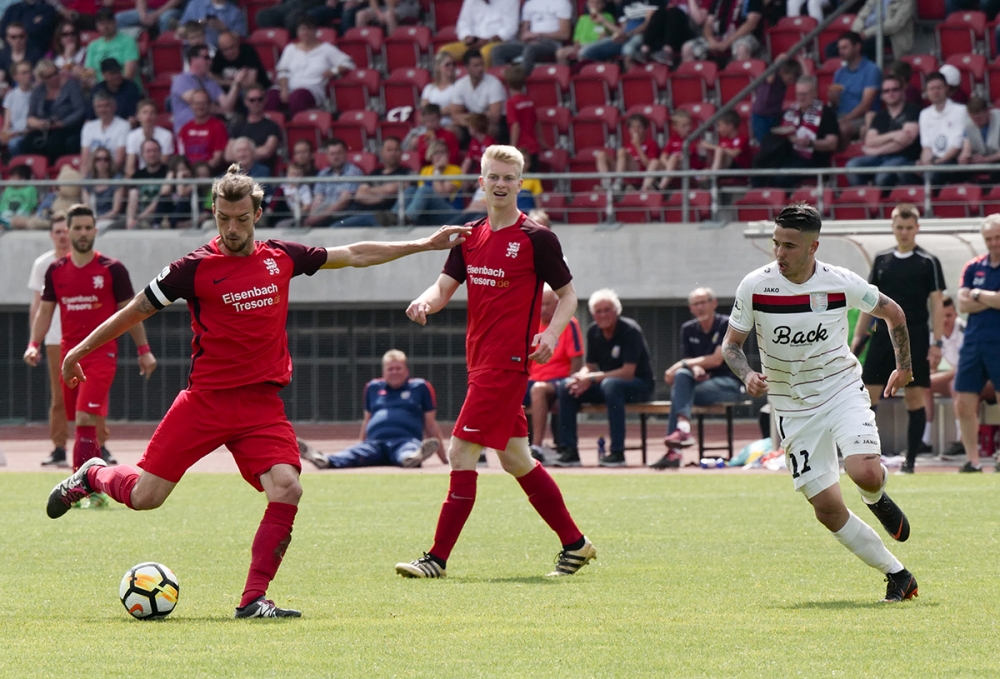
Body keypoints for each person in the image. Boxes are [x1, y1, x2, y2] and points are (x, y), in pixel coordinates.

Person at [42, 165, 470, 619]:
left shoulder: (281, 256)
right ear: (214, 212)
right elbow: (135, 309)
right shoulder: (192, 268)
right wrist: (80, 350)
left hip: (261, 405)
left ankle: (253, 599)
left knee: (287, 487)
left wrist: (423, 244)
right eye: (223, 218)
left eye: (241, 219)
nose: (232, 228)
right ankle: (93, 474)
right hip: (205, 401)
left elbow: (354, 254)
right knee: (146, 497)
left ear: (258, 214)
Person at [395, 144, 595, 580]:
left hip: (507, 363)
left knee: (459, 451)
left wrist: (551, 334)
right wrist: (424, 302)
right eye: (493, 176)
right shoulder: (469, 236)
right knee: (516, 458)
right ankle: (576, 545)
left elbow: (569, 297)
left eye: (508, 177)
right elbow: (443, 288)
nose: (500, 184)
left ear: (520, 183)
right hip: (479, 360)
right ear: (480, 181)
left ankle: (436, 559)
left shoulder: (537, 237)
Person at [722, 202, 919, 603]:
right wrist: (746, 374)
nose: (779, 253)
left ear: (813, 247)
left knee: (864, 473)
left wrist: (904, 368)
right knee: (827, 509)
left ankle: (875, 496)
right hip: (792, 407)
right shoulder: (755, 286)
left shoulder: (839, 282)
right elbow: (731, 345)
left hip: (841, 390)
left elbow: (894, 313)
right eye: (776, 243)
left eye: (790, 246)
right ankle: (898, 575)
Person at [24, 203, 156, 475]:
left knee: (85, 415)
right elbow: (45, 312)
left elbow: (131, 312)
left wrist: (144, 350)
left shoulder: (113, 269)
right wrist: (33, 344)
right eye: (78, 228)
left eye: (88, 228)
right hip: (68, 356)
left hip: (101, 354)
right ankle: (95, 476)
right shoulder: (55, 270)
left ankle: (81, 483)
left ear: (95, 230)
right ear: (69, 232)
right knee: (80, 417)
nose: (83, 233)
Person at [851, 204, 945, 474]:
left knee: (914, 399)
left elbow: (937, 304)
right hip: (882, 336)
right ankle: (866, 458)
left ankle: (910, 462)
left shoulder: (928, 261)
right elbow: (869, 301)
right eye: (900, 227)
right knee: (868, 397)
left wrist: (937, 343)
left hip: (915, 337)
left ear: (917, 228)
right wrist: (858, 337)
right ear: (893, 227)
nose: (904, 232)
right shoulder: (881, 260)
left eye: (909, 227)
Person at [555, 288, 655, 467]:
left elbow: (628, 372)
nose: (603, 315)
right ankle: (569, 450)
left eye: (607, 310)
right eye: (598, 311)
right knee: (566, 386)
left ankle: (617, 452)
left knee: (611, 385)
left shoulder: (630, 330)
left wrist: (592, 378)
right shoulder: (593, 331)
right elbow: (589, 365)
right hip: (607, 385)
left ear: (616, 311)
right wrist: (582, 377)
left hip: (637, 386)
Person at [299, 349, 447, 469]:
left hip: (405, 440)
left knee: (406, 451)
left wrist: (444, 458)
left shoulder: (421, 387)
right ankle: (324, 459)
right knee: (353, 454)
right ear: (384, 372)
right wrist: (362, 443)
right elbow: (367, 421)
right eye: (390, 369)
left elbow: (430, 424)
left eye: (398, 368)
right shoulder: (373, 387)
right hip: (375, 443)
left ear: (407, 371)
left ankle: (413, 457)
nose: (394, 372)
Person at [650, 287, 744, 469]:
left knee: (680, 387)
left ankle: (674, 451)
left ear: (714, 303)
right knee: (682, 377)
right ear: (690, 308)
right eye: (695, 304)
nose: (700, 307)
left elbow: (717, 359)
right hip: (701, 385)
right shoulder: (688, 329)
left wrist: (681, 365)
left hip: (729, 385)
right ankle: (683, 429)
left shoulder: (726, 324)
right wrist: (695, 368)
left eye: (703, 302)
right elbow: (691, 362)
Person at [953, 215, 1000, 473]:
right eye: (989, 238)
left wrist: (977, 294)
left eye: (998, 238)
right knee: (963, 402)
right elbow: (962, 303)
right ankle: (973, 460)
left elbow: (972, 299)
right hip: (973, 342)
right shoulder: (973, 266)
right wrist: (991, 298)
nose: (994, 243)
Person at [27, 212, 73, 466]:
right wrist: (34, 342)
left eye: (66, 231)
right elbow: (37, 306)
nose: (63, 236)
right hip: (55, 338)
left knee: (92, 393)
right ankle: (59, 448)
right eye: (58, 232)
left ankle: (100, 445)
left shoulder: (85, 262)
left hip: (85, 337)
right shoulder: (43, 264)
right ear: (51, 235)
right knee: (59, 396)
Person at [525, 285, 584, 462]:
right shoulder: (532, 324)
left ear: (558, 304)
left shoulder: (569, 324)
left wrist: (567, 385)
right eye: (540, 304)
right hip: (534, 378)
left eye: (547, 304)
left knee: (538, 390)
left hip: (558, 380)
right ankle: (487, 448)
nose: (543, 309)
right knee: (502, 390)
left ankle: (536, 448)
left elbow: (576, 360)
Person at [751, 76, 839, 189]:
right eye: (798, 94)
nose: (801, 98)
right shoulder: (789, 112)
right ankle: (759, 198)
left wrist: (809, 143)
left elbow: (832, 143)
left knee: (782, 176)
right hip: (787, 155)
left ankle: (779, 199)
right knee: (759, 164)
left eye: (804, 94)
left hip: (812, 160)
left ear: (814, 93)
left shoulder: (826, 113)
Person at [845, 73, 921, 189]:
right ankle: (867, 197)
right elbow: (870, 141)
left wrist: (877, 150)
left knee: (882, 176)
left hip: (905, 157)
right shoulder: (880, 116)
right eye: (886, 91)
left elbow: (904, 142)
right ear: (882, 95)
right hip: (880, 158)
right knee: (852, 166)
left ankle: (882, 199)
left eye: (895, 89)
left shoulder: (912, 110)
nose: (890, 93)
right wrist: (893, 135)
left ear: (902, 91)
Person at [269, 16, 355, 117]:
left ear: (315, 31)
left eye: (308, 29)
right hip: (288, 87)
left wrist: (333, 71)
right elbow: (283, 71)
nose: (305, 33)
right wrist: (284, 89)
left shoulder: (326, 49)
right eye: (302, 30)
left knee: (297, 97)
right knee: (270, 96)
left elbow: (348, 63)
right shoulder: (290, 49)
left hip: (311, 88)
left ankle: (299, 125)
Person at [923, 296, 967, 458]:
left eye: (949, 315)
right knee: (924, 386)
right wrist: (931, 373)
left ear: (956, 314)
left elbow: (965, 369)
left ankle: (962, 440)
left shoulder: (965, 330)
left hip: (976, 380)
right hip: (954, 378)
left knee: (956, 385)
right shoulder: (934, 334)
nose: (945, 320)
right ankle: (925, 441)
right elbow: (932, 365)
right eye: (941, 316)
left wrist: (934, 377)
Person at [332, 136, 411, 226]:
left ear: (401, 152)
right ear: (382, 153)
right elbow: (359, 195)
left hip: (385, 217)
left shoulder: (407, 172)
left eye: (396, 150)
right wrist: (383, 197)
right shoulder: (375, 172)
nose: (393, 153)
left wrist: (370, 191)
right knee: (335, 227)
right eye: (389, 150)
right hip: (364, 214)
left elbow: (391, 189)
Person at [170, 45, 242, 136]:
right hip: (187, 132)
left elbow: (227, 107)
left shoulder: (211, 83)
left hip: (209, 132)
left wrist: (236, 84)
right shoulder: (181, 80)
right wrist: (221, 110)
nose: (210, 61)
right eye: (206, 58)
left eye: (210, 58)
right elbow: (199, 104)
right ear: (193, 59)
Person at [23, 59, 86, 162]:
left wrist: (62, 123)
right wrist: (34, 122)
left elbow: (80, 110)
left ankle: (55, 168)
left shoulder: (71, 86)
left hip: (67, 126)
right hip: (45, 127)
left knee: (54, 143)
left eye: (56, 73)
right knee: (28, 141)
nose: (55, 77)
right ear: (43, 78)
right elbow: (31, 114)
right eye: (49, 76)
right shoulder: (38, 91)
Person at [488, 0, 573, 75]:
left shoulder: (561, 3)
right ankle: (503, 81)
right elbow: (523, 35)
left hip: (551, 43)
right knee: (497, 50)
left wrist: (540, 34)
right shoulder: (529, 4)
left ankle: (520, 80)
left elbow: (565, 34)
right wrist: (526, 36)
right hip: (530, 42)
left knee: (531, 49)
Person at [916, 72, 968, 188]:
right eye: (931, 89)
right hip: (934, 160)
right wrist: (925, 163)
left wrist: (936, 163)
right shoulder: (924, 114)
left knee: (932, 176)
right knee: (906, 173)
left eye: (939, 88)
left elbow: (957, 145)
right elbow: (926, 147)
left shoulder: (960, 110)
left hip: (953, 160)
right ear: (926, 92)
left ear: (946, 88)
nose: (935, 92)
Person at [828, 32, 880, 144]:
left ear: (857, 47)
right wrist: (833, 99)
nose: (841, 52)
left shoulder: (871, 70)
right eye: (839, 48)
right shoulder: (839, 73)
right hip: (840, 115)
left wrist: (844, 119)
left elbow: (866, 105)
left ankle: (843, 155)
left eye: (845, 48)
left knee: (841, 129)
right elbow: (835, 105)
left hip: (863, 117)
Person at [301, 138, 364, 227]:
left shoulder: (353, 172)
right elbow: (318, 199)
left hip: (343, 214)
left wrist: (315, 219)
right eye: (332, 154)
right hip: (323, 214)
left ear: (345, 154)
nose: (335, 157)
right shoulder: (323, 173)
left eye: (339, 153)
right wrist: (312, 217)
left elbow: (343, 203)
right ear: (327, 156)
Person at [436, 0, 520, 66]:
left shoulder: (510, 1)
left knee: (484, 53)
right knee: (444, 52)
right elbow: (463, 24)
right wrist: (467, 37)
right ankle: (447, 82)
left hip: (497, 42)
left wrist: (488, 40)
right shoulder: (471, 1)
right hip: (474, 42)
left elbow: (511, 29)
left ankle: (483, 82)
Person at [682, 0, 764, 64]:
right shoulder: (718, 1)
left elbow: (752, 23)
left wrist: (728, 41)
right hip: (719, 37)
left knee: (742, 49)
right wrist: (711, 40)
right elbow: (708, 24)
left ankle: (742, 79)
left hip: (743, 36)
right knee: (687, 49)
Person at [597, 112, 661, 193]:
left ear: (645, 129)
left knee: (622, 151)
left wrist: (638, 146)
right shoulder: (627, 145)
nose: (636, 130)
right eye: (632, 127)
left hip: (640, 172)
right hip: (627, 172)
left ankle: (618, 183)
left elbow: (649, 165)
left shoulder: (651, 143)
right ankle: (606, 184)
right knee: (601, 155)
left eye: (639, 127)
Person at [448, 49, 506, 137]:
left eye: (481, 64)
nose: (480, 69)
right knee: (451, 130)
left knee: (488, 129)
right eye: (476, 66)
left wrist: (469, 119)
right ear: (467, 67)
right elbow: (455, 115)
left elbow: (495, 117)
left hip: (494, 125)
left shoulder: (494, 84)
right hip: (473, 124)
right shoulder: (460, 84)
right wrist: (475, 120)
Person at [225, 85, 282, 169]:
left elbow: (267, 152)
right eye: (252, 100)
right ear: (245, 102)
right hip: (239, 170)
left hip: (262, 171)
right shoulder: (238, 125)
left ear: (265, 100)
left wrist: (240, 154)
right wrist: (253, 153)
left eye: (260, 99)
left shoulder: (272, 126)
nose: (256, 103)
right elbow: (228, 155)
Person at [82, 9, 139, 87]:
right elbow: (90, 71)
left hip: (124, 87)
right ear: (97, 26)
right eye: (101, 24)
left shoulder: (128, 41)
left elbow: (129, 73)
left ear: (115, 22)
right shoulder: (93, 46)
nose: (105, 26)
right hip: (101, 88)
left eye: (108, 22)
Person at [177, 89, 229, 171]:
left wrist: (200, 171)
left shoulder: (218, 126)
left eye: (203, 103)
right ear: (191, 105)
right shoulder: (184, 128)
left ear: (209, 105)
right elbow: (180, 157)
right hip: (188, 172)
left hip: (209, 172)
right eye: (197, 103)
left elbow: (217, 159)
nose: (200, 106)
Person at [80, 90, 131, 172]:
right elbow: (85, 160)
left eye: (106, 106)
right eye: (99, 106)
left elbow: (119, 160)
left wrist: (103, 175)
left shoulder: (124, 125)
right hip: (93, 173)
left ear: (114, 106)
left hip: (114, 173)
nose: (103, 110)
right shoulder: (88, 127)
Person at [504, 65, 543, 170]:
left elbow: (515, 126)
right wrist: (542, 141)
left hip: (521, 148)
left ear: (508, 84)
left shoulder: (511, 103)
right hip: (533, 146)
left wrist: (512, 146)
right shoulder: (530, 100)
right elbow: (536, 123)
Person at [124, 99, 175, 178]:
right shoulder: (132, 136)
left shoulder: (166, 135)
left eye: (152, 113)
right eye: (145, 112)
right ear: (138, 116)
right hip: (141, 176)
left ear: (156, 116)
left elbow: (163, 162)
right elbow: (130, 167)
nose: (148, 116)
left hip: (161, 176)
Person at [850, 0, 914, 62]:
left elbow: (894, 26)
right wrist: (855, 33)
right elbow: (861, 16)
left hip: (891, 34)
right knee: (848, 42)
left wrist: (866, 33)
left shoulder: (907, 1)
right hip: (866, 30)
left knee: (867, 44)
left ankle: (867, 67)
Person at [555, 0, 617, 65]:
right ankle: (565, 71)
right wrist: (577, 46)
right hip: (581, 45)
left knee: (583, 52)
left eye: (598, 3)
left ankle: (585, 70)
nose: (594, 5)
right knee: (560, 53)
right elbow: (577, 37)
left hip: (595, 46)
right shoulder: (582, 19)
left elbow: (608, 34)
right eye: (591, 3)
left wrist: (601, 21)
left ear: (603, 5)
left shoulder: (607, 17)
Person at [126, 139, 170, 229]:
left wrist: (140, 217)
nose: (152, 154)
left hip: (159, 215)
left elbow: (160, 198)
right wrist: (130, 219)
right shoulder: (137, 175)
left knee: (137, 227)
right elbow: (132, 200)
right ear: (142, 154)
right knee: (109, 229)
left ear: (160, 153)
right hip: (139, 216)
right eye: (148, 151)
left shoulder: (168, 172)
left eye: (155, 151)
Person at [82, 146, 126, 231]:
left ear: (110, 162)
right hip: (92, 218)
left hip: (111, 220)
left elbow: (115, 210)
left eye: (106, 159)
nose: (102, 162)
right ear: (93, 162)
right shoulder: (88, 181)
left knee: (97, 228)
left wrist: (99, 219)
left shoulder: (117, 180)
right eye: (98, 159)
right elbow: (86, 207)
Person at [90, 58, 142, 126]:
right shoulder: (97, 90)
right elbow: (90, 116)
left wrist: (134, 119)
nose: (117, 75)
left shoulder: (131, 87)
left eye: (118, 72)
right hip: (102, 126)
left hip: (127, 126)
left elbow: (138, 111)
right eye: (113, 73)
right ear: (104, 75)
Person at [178, 0, 247, 49]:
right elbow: (180, 31)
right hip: (192, 51)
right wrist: (198, 23)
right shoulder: (195, 4)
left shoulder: (236, 13)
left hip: (220, 53)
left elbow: (241, 40)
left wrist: (224, 28)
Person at [1, 60, 34, 156]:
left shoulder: (36, 94)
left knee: (14, 144)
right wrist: (4, 135)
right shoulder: (10, 96)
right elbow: (7, 124)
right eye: (24, 73)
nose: (28, 75)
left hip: (28, 133)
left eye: (29, 72)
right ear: (16, 77)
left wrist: (17, 134)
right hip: (13, 133)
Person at [959, 96, 1000, 171]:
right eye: (974, 119)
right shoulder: (969, 124)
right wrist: (964, 157)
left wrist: (987, 159)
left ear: (987, 111)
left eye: (979, 119)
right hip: (981, 160)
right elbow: (966, 148)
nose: (977, 122)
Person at [420, 52, 457, 125]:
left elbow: (454, 108)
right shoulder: (429, 88)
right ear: (438, 67)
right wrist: (439, 113)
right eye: (447, 64)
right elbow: (425, 110)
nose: (451, 67)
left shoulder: (457, 86)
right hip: (431, 125)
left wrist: (432, 114)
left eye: (453, 64)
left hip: (450, 124)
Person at [115, 0, 185, 36]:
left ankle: (164, 48)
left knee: (165, 18)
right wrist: (143, 14)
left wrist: (156, 14)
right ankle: (136, 36)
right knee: (118, 18)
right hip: (148, 9)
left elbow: (176, 1)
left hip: (171, 10)